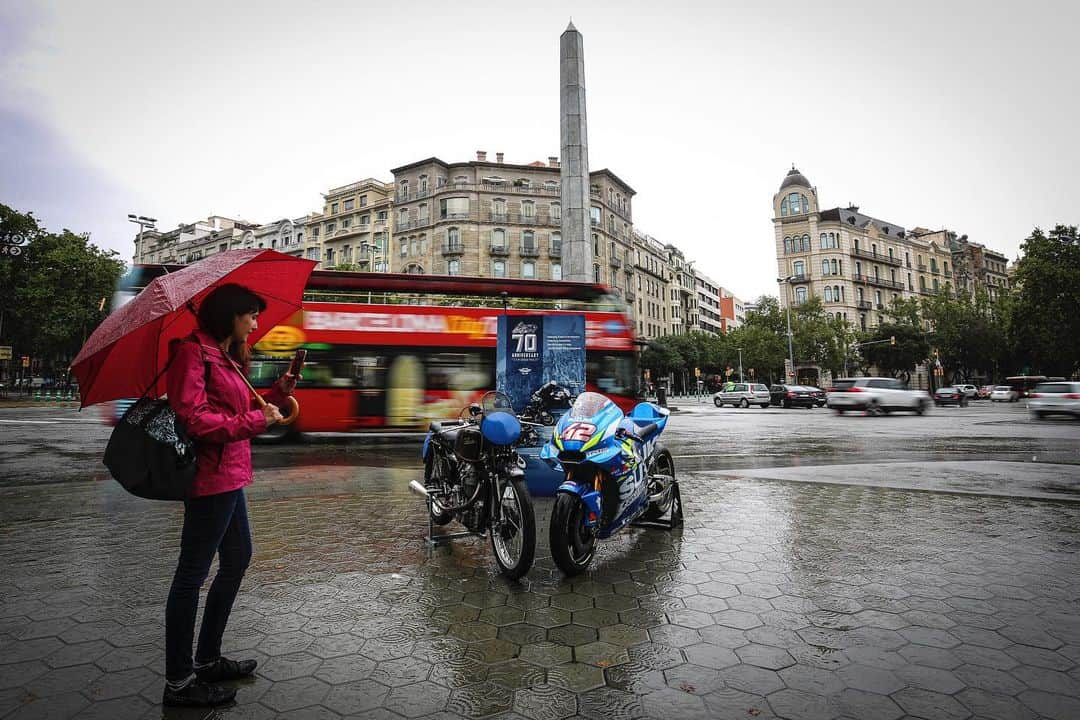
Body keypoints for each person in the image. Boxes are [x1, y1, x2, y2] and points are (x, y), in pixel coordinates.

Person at [162, 283, 295, 707]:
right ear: (229, 315)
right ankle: (180, 683)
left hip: (232, 475)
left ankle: (207, 658)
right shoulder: (192, 352)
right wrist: (256, 421)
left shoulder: (225, 355)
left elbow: (240, 406)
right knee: (190, 577)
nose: (256, 323)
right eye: (251, 315)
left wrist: (278, 392)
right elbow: (195, 419)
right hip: (208, 478)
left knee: (237, 560)